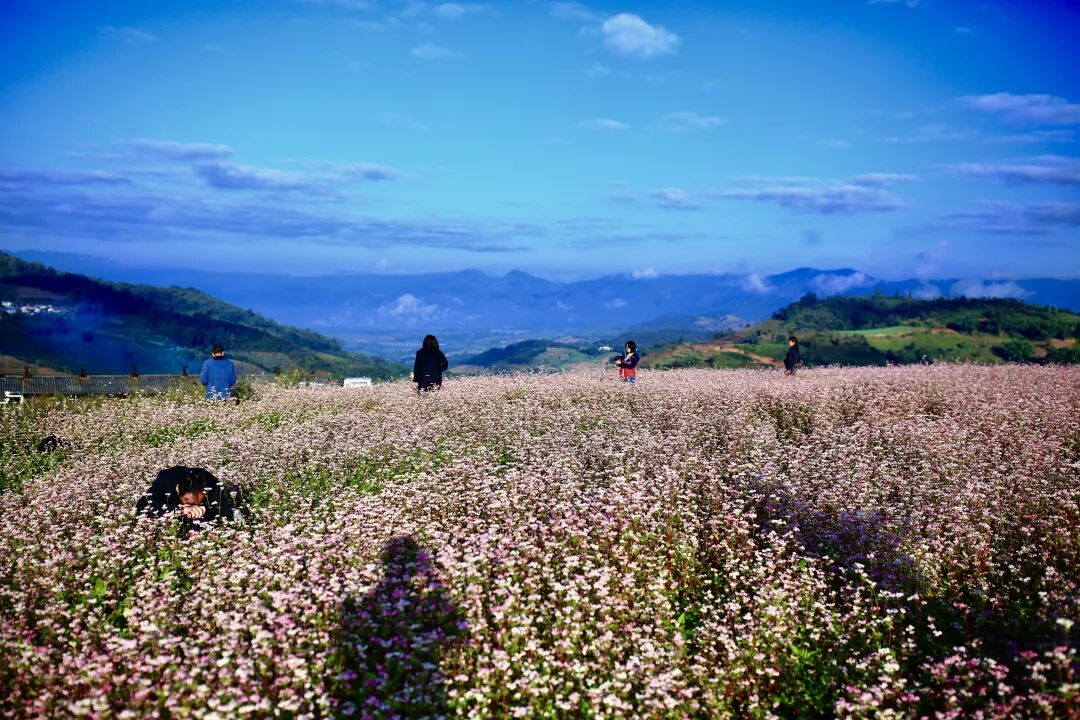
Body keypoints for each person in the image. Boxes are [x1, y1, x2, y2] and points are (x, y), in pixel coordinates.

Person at [136, 465, 238, 534]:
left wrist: (207, 512)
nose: (194, 506)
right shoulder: (166, 480)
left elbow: (224, 513)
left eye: (198, 502)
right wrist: (180, 510)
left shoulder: (211, 483)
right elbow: (142, 505)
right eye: (188, 501)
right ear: (177, 489)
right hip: (171, 512)